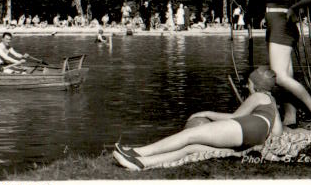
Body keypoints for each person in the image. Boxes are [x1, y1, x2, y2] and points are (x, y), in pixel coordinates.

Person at [113, 66, 282, 171]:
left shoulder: (258, 96)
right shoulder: (272, 103)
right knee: (190, 148)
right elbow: (277, 132)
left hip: (247, 129)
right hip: (255, 137)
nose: (247, 86)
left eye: (249, 83)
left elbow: (235, 117)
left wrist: (206, 113)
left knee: (189, 135)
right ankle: (141, 163)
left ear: (256, 85)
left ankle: (136, 152)